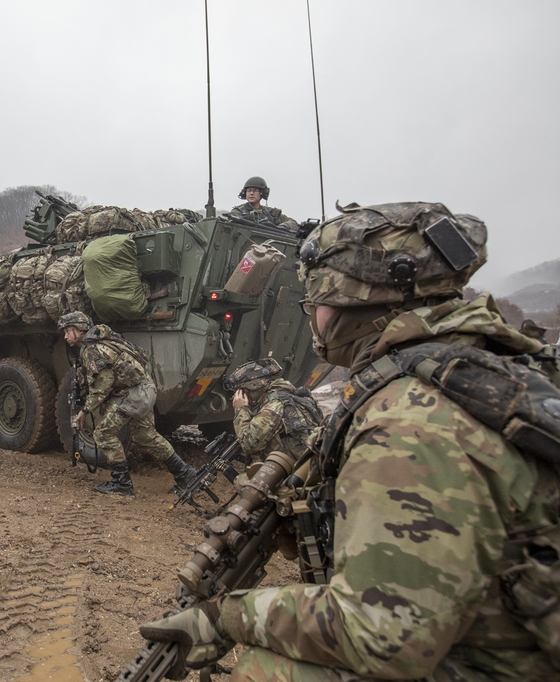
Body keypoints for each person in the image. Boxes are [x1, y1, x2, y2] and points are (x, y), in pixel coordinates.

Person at [140, 202, 560, 680]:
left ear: (354, 303)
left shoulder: (410, 420)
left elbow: (382, 634)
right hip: (506, 627)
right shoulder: (479, 365)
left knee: (267, 669)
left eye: (314, 300)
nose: (310, 315)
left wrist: (223, 618)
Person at [58, 311, 198, 496]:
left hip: (134, 395)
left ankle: (121, 483)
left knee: (103, 434)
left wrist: (85, 410)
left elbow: (102, 386)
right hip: (143, 390)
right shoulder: (103, 341)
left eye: (69, 330)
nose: (66, 336)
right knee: (145, 436)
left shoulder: (93, 349)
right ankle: (185, 474)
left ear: (81, 330)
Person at [226, 358, 321, 464]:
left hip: (299, 470)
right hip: (309, 461)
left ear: (252, 388)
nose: (237, 396)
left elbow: (249, 445)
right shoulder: (287, 393)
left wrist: (241, 409)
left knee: (241, 480)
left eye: (242, 392)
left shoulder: (274, 407)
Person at [229, 176, 297, 230]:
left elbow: (293, 223)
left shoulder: (272, 213)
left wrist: (282, 226)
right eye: (249, 191)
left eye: (255, 191)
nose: (251, 193)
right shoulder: (239, 211)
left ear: (262, 193)